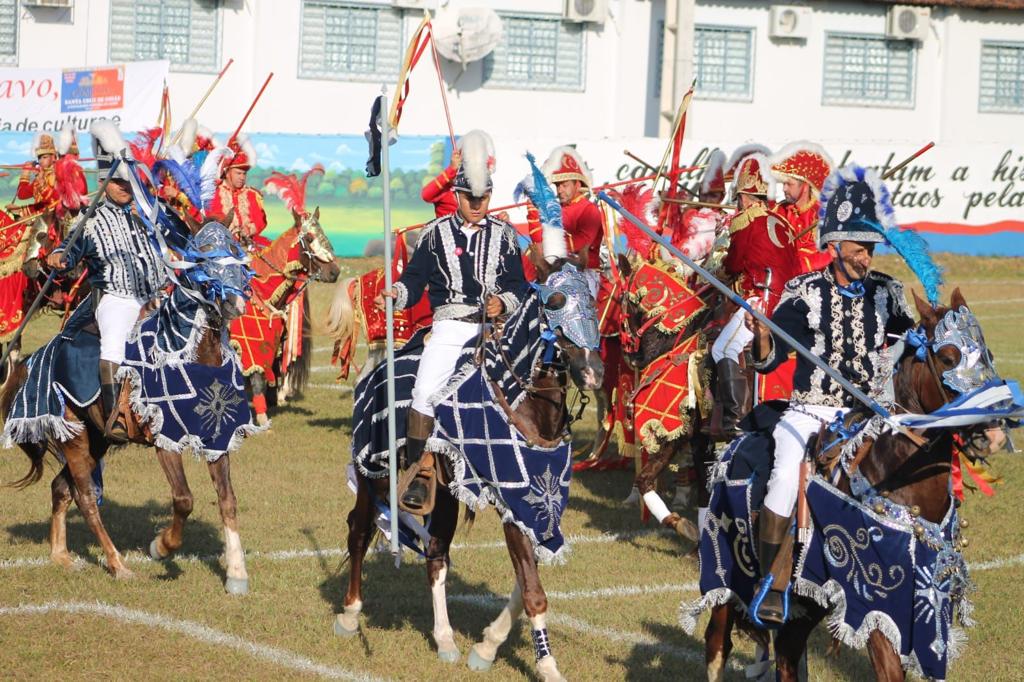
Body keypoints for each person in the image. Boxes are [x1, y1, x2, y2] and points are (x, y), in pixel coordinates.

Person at [745, 165, 916, 625]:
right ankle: (773, 582)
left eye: (871, 249)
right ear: (835, 246)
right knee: (784, 475)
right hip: (810, 410)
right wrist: (763, 336)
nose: (867, 257)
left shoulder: (888, 292)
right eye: (859, 249)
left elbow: (912, 341)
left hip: (868, 412)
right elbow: (771, 355)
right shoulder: (804, 291)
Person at [375, 129, 529, 511]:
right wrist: (398, 293)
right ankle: (417, 474)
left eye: (483, 198)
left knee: (521, 395)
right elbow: (414, 280)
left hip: (493, 332)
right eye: (470, 198)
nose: (477, 204)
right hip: (448, 328)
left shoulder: (507, 237)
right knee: (425, 392)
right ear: (457, 195)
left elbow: (518, 286)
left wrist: (503, 304)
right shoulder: (434, 234)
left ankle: (517, 470)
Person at [45, 121, 169, 443]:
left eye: (128, 183)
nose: (125, 188)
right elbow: (70, 250)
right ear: (104, 181)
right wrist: (60, 256)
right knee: (115, 336)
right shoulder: (90, 219)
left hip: (152, 295)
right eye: (118, 182)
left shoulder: (143, 214)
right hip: (114, 297)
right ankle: (115, 415)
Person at [712, 153, 798, 436]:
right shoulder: (783, 223)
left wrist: (722, 273)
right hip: (789, 302)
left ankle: (735, 420)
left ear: (747, 197)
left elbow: (734, 263)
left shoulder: (745, 220)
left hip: (762, 298)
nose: (738, 204)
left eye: (739, 198)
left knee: (722, 348)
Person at [527, 146, 603, 270]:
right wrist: (534, 211)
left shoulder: (590, 210)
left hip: (583, 272)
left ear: (577, 185)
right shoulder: (555, 209)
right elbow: (538, 241)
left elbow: (580, 243)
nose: (559, 190)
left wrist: (546, 245)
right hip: (555, 269)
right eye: (557, 186)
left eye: (564, 185)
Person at [770, 142, 834, 273]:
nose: (784, 189)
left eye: (789, 184)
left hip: (813, 281)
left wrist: (799, 267)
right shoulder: (779, 210)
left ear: (805, 185)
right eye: (783, 184)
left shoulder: (823, 214)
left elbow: (830, 253)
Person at [209, 134, 268, 247]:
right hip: (222, 247)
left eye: (244, 174)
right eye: (238, 173)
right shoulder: (214, 194)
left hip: (251, 244)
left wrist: (249, 230)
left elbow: (261, 220)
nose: (242, 177)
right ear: (226, 172)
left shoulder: (251, 194)